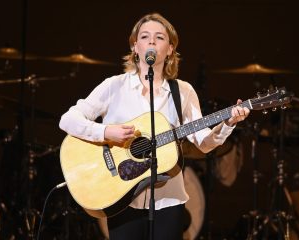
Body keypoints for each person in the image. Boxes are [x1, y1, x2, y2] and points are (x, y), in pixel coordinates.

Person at [59, 12, 250, 240]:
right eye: (145, 36)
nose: (151, 41)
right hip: (122, 197)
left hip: (169, 200)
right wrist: (106, 131)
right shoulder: (114, 86)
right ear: (135, 47)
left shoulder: (183, 91)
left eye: (159, 37)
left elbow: (204, 143)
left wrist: (228, 123)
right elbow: (68, 120)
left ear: (170, 49)